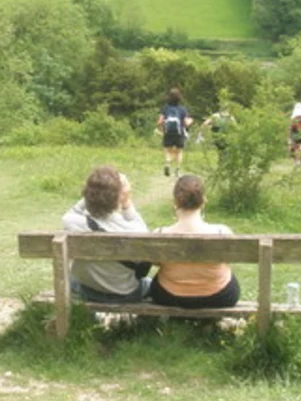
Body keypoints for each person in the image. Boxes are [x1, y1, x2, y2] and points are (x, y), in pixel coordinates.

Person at [148, 174, 240, 309]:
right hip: (219, 297)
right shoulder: (222, 232)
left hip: (169, 297)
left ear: (175, 202)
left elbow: (155, 263)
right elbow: (230, 259)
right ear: (204, 200)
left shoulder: (159, 234)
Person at [61, 166, 150, 303]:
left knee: (72, 279)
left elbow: (70, 213)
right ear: (120, 197)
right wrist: (126, 202)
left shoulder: (71, 222)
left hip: (87, 289)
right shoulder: (135, 231)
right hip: (124, 293)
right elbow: (144, 233)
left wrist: (95, 192)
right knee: (149, 283)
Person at [157, 87, 193, 177]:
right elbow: (186, 123)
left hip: (168, 132)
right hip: (179, 133)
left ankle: (168, 164)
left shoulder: (165, 108)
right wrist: (191, 121)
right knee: (179, 152)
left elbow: (160, 121)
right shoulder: (182, 109)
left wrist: (162, 128)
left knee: (167, 151)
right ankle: (177, 169)